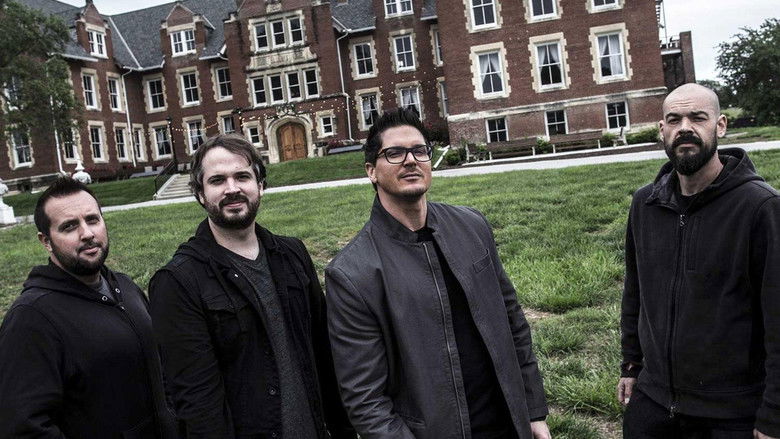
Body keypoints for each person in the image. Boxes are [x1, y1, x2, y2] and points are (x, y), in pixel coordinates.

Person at [325, 108, 551, 439]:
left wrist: (533, 411)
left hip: (508, 423)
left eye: (420, 151)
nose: (411, 161)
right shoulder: (351, 273)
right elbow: (365, 400)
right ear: (371, 171)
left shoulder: (472, 226)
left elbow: (513, 322)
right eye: (394, 153)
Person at [149, 134, 355, 439]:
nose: (232, 188)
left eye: (242, 176)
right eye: (217, 180)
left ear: (260, 185)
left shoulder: (292, 255)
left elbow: (324, 355)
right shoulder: (178, 282)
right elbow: (197, 405)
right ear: (200, 194)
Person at [618, 83, 780, 438]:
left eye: (698, 118)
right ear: (662, 129)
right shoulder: (645, 204)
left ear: (720, 126)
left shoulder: (760, 207)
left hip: (730, 412)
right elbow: (635, 292)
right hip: (653, 402)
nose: (685, 128)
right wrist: (631, 364)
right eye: (674, 120)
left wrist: (774, 414)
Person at [0, 177, 178, 438]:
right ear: (46, 241)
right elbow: (23, 427)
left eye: (92, 220)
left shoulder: (125, 287)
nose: (87, 233)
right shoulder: (31, 318)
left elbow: (161, 367)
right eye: (69, 226)